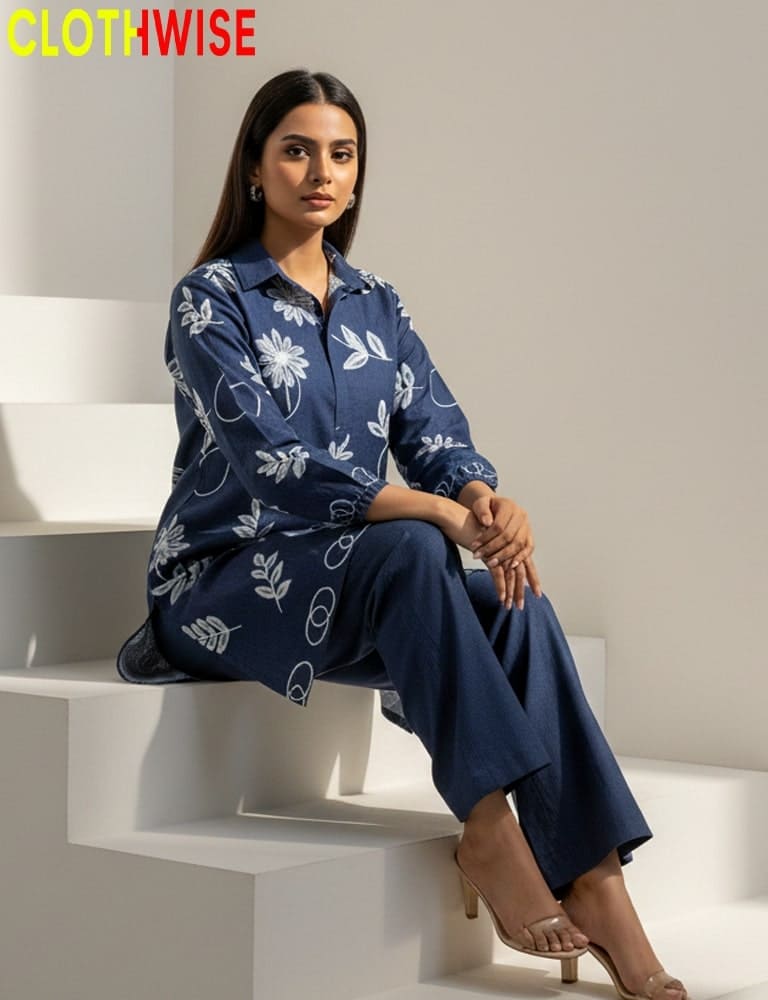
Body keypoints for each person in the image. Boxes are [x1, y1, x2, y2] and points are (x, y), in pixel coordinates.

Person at [116, 69, 689, 1000]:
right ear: (256, 170)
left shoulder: (377, 302)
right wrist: (427, 508)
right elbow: (271, 464)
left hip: (354, 580)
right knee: (418, 545)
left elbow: (434, 431)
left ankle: (598, 878)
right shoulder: (210, 299)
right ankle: (489, 826)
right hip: (223, 583)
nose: (322, 172)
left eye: (342, 154)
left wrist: (483, 500)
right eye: (297, 150)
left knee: (515, 601)